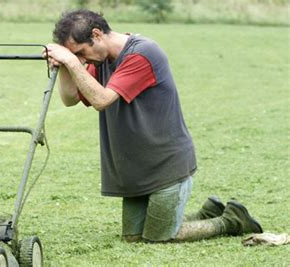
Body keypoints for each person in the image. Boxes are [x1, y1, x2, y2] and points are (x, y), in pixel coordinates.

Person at [44, 9, 263, 242]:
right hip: (136, 171)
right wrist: (66, 66)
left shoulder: (142, 53)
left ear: (97, 35)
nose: (82, 60)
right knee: (133, 238)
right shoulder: (100, 60)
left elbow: (101, 100)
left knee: (160, 237)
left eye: (81, 52)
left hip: (166, 167)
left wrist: (70, 60)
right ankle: (207, 212)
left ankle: (231, 220)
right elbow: (70, 99)